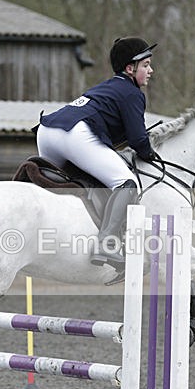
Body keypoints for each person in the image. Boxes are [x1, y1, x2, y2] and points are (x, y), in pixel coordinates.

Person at [36, 36, 157, 267]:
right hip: (74, 134)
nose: (151, 70)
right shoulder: (132, 93)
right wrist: (150, 154)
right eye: (146, 65)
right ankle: (107, 244)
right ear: (129, 69)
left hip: (47, 131)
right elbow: (138, 140)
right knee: (127, 183)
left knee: (66, 189)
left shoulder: (108, 86)